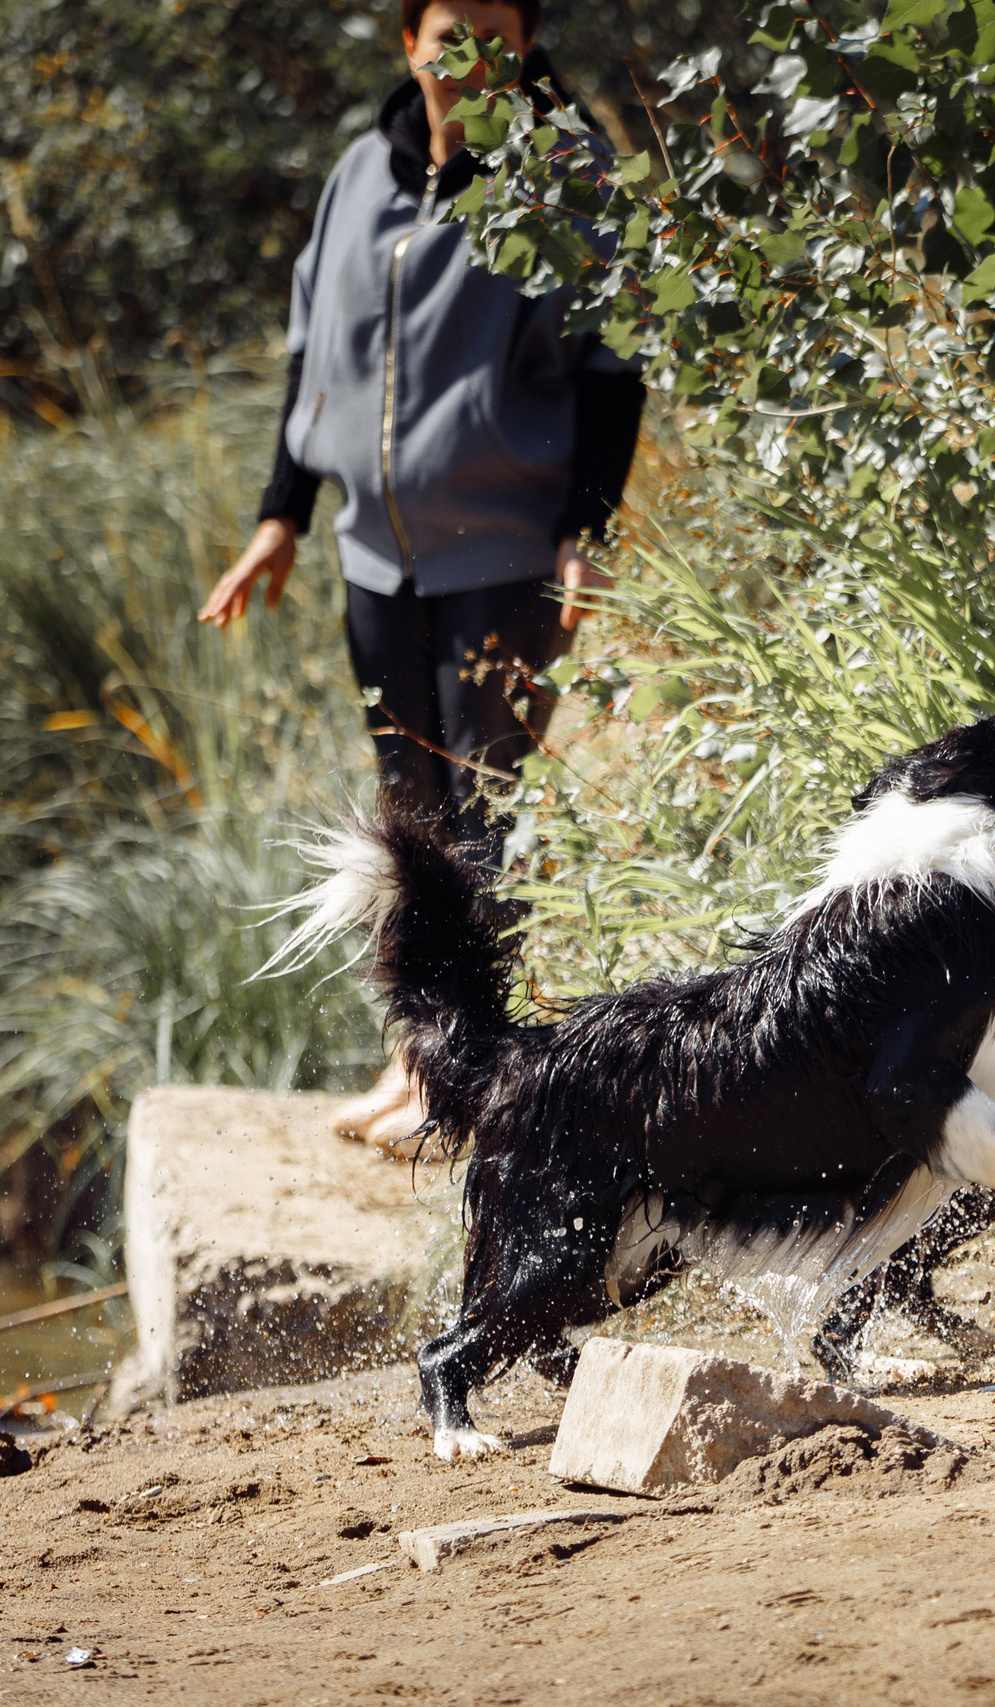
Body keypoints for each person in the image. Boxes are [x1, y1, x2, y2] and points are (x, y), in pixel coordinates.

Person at [200, 0, 645, 1150]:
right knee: (409, 814)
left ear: (527, 45)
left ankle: (469, 1080)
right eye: (452, 34)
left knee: (484, 807)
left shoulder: (567, 172)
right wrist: (280, 518)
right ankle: (416, 1056)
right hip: (374, 558)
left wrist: (585, 528)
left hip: (505, 549)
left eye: (498, 34)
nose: (473, 58)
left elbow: (612, 365)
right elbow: (314, 355)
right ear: (412, 44)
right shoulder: (362, 173)